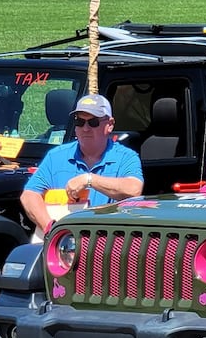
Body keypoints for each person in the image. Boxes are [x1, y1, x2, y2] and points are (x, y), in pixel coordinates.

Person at [20, 92, 143, 239]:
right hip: (62, 246)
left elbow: (134, 189)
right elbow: (29, 195)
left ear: (109, 125)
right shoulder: (56, 156)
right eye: (80, 122)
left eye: (93, 122)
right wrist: (52, 229)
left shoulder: (126, 157)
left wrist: (89, 180)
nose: (85, 128)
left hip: (106, 243)